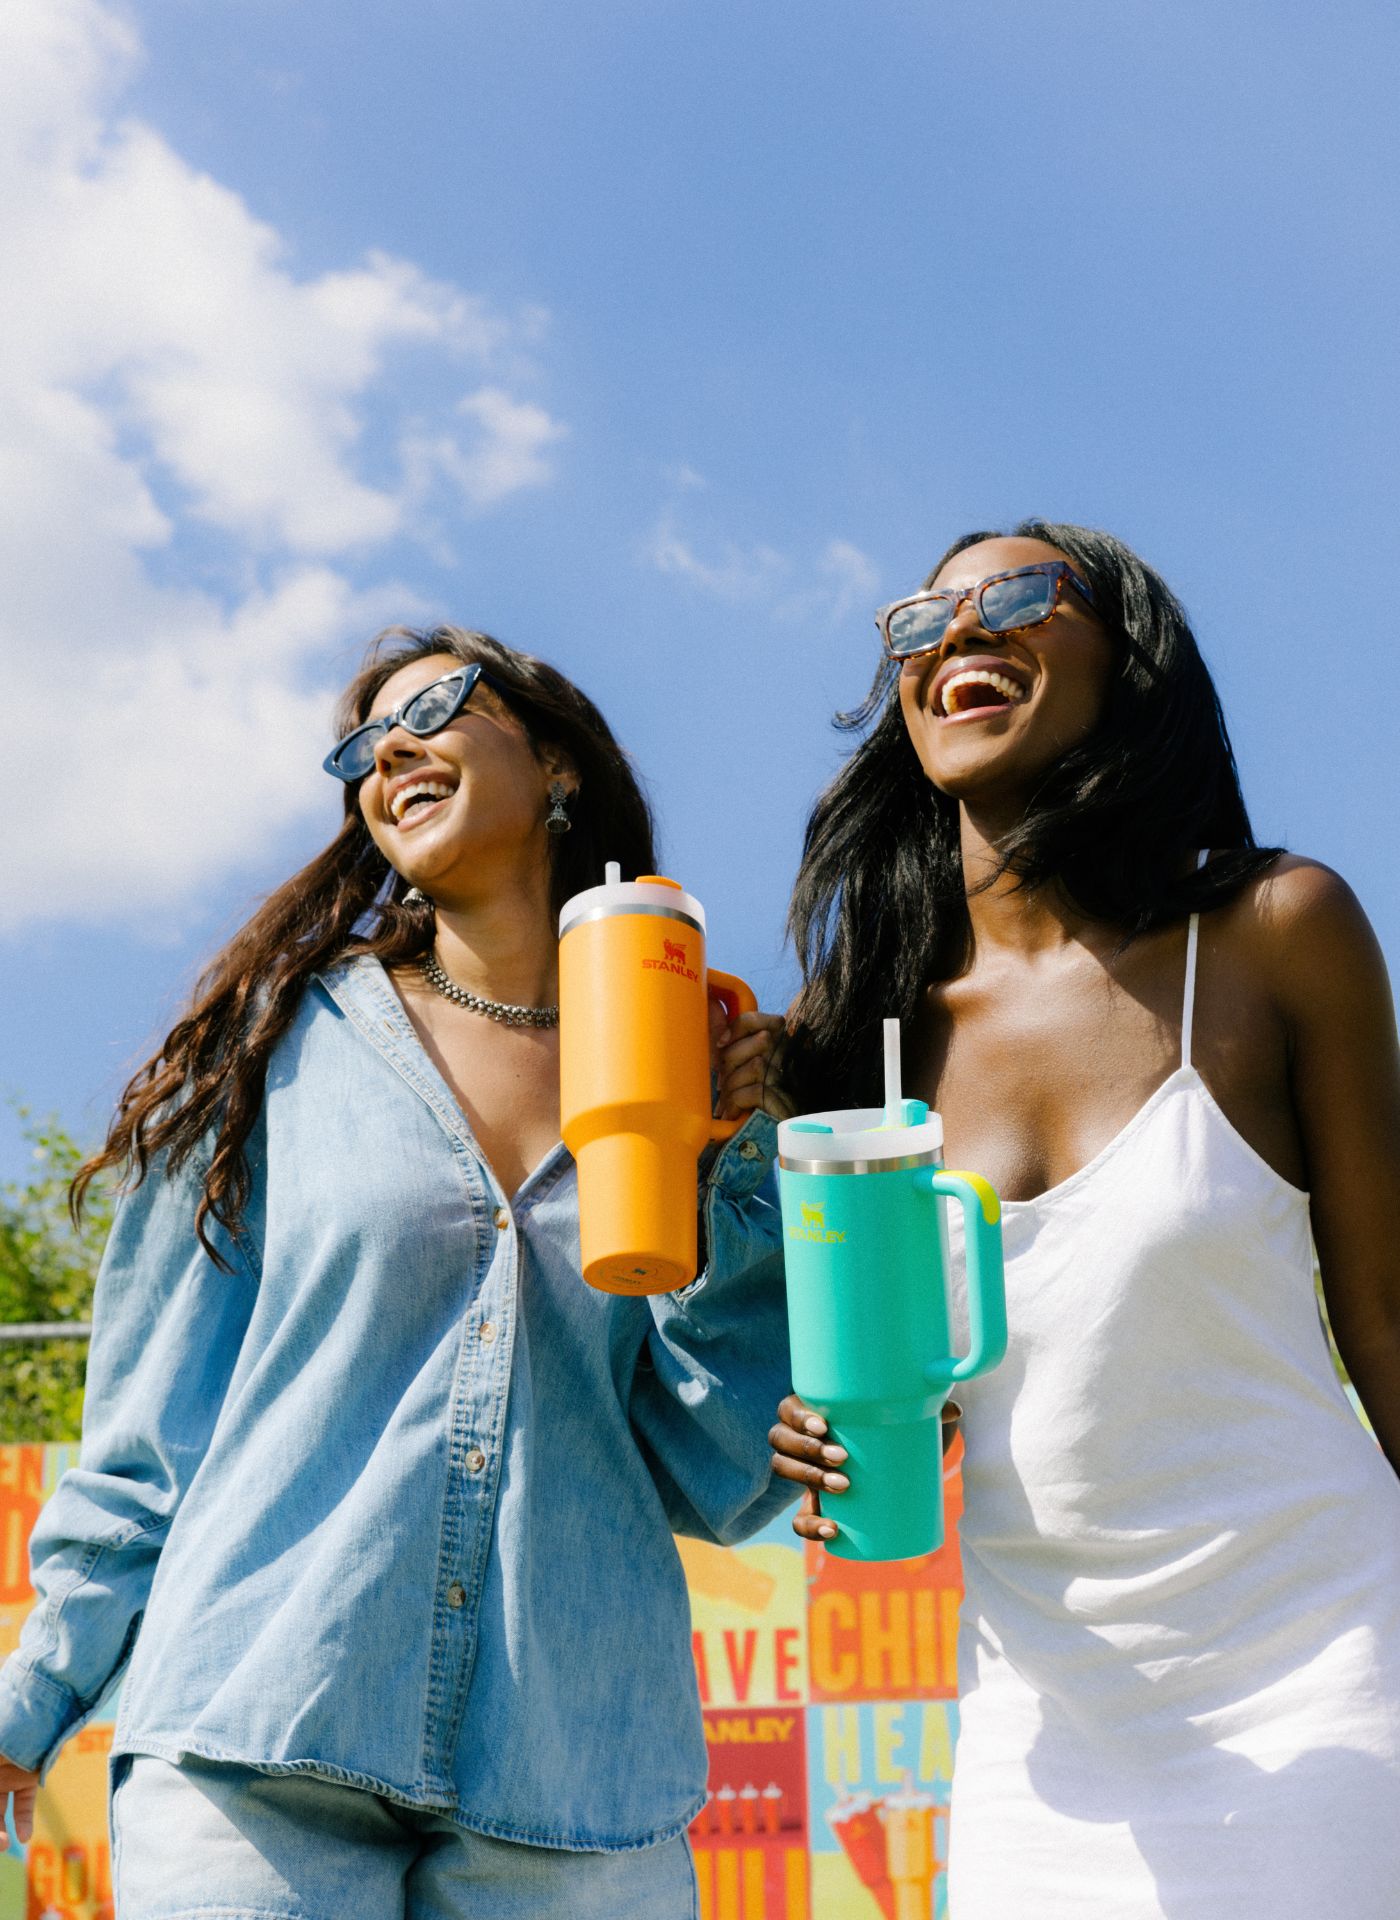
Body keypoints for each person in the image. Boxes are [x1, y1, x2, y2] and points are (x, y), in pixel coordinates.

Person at [0, 626, 794, 1918]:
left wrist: (723, 1181)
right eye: (362, 745)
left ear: (557, 764)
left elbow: (717, 1469)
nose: (390, 751)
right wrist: (32, 1695)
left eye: (430, 706)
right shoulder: (266, 1055)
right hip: (256, 1737)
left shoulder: (697, 1062)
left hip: (577, 1780)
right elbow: (147, 1440)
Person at [769, 523, 1400, 1917]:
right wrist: (816, 1434)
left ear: (1128, 655)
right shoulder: (855, 1058)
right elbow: (852, 1380)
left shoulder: (1276, 932)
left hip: (1325, 1679)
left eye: (1014, 596)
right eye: (924, 619)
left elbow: (1390, 1321)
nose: (959, 633)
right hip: (1034, 1746)